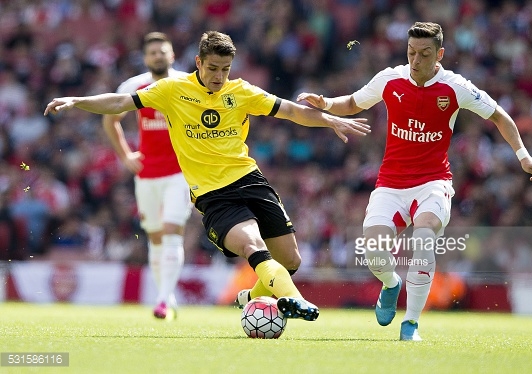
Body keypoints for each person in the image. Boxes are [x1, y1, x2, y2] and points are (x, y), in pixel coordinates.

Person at [45, 30, 370, 322]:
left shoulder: (240, 91)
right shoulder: (172, 89)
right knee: (253, 246)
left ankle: (250, 298)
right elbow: (120, 103)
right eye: (212, 68)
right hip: (213, 194)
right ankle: (293, 299)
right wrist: (77, 101)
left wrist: (330, 120)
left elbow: (290, 110)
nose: (218, 76)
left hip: (250, 180)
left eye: (225, 70)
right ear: (198, 62)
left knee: (290, 259)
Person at [297, 22, 532, 339]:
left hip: (433, 184)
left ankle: (411, 323)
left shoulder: (455, 88)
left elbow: (499, 115)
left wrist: (523, 155)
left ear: (439, 54)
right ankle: (391, 284)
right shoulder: (390, 79)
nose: (416, 60)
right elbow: (354, 102)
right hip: (390, 184)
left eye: (424, 54)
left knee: (424, 237)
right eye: (411, 52)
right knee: (373, 251)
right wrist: (327, 104)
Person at [102, 32, 191, 320]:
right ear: (145, 58)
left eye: (162, 51)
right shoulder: (134, 86)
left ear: (172, 55)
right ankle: (167, 294)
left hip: (180, 172)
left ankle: (163, 299)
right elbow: (110, 118)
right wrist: (125, 154)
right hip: (147, 173)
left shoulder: (187, 84)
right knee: (154, 237)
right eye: (152, 53)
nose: (158, 56)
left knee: (171, 232)